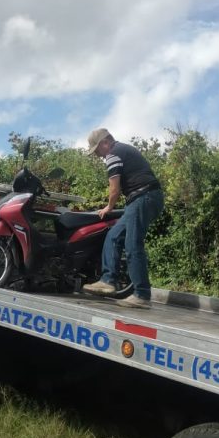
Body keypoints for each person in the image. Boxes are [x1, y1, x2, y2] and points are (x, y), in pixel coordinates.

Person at [82, 128, 164, 308]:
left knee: (133, 244)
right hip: (145, 198)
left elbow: (115, 189)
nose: (98, 156)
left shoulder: (113, 153)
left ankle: (142, 295)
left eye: (97, 150)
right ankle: (108, 281)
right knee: (113, 236)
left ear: (105, 142)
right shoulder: (123, 149)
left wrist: (109, 207)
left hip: (143, 197)